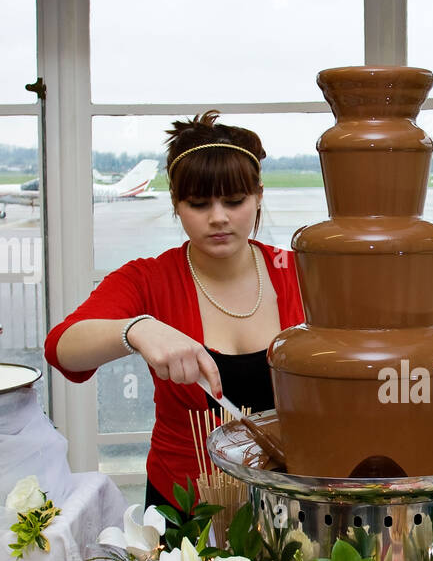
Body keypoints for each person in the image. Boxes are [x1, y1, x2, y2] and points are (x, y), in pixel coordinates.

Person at [45, 112, 304, 509]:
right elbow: (62, 348)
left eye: (234, 201)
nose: (218, 217)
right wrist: (137, 329)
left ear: (259, 197)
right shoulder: (149, 278)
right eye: (199, 203)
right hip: (185, 502)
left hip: (292, 500)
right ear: (176, 204)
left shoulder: (301, 274)